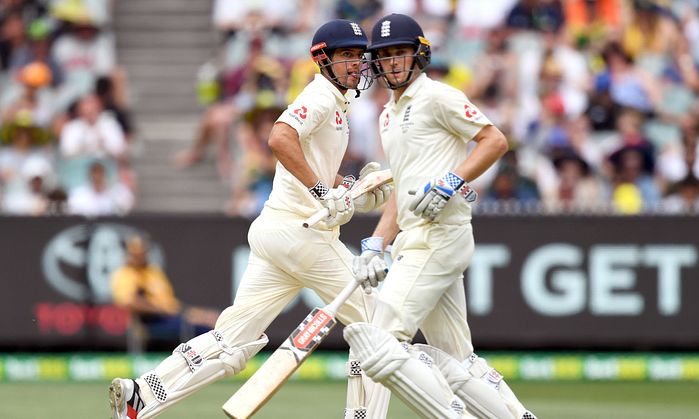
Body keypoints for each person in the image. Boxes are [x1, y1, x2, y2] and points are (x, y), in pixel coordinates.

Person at [109, 19, 392, 419]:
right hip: (303, 234)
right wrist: (322, 192)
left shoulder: (338, 105)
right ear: (323, 59)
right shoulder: (322, 96)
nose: (356, 65)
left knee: (232, 342)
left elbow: (316, 171)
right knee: (377, 324)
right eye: (347, 55)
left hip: (277, 232)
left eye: (358, 57)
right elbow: (279, 137)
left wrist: (352, 191)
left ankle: (143, 394)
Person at [343, 14, 537, 419]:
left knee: (380, 339)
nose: (394, 62)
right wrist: (376, 243)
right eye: (385, 56)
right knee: (457, 360)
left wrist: (451, 180)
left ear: (419, 54)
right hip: (416, 238)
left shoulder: (438, 97)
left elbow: (494, 140)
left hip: (439, 235)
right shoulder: (387, 115)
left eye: (401, 53)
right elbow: (402, 186)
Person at [110, 234, 219, 348]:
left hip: (172, 314)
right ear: (129, 254)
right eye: (136, 253)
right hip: (152, 321)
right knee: (200, 327)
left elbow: (170, 302)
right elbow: (128, 301)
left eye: (142, 252)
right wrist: (157, 308)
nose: (139, 256)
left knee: (213, 318)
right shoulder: (125, 274)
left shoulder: (153, 271)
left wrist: (195, 313)